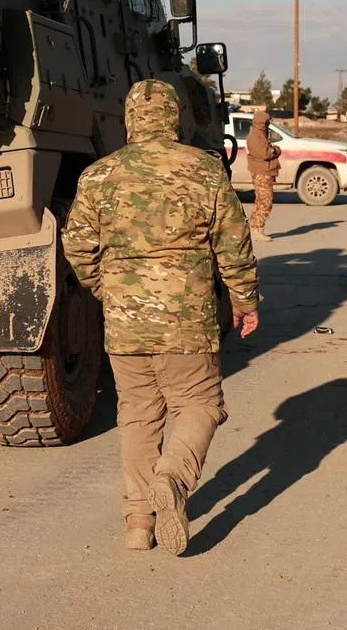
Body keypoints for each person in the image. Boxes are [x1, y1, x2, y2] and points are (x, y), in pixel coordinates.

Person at [61, 79, 260, 555]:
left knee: (137, 415)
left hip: (125, 323)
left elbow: (77, 245)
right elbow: (233, 242)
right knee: (200, 404)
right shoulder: (205, 170)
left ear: (130, 119)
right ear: (174, 118)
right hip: (187, 318)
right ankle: (172, 476)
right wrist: (244, 299)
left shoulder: (98, 175)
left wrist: (106, 289)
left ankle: (138, 523)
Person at [246, 109, 281, 242]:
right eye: (266, 122)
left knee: (260, 201)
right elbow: (266, 153)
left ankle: (255, 227)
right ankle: (257, 228)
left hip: (264, 171)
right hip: (262, 172)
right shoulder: (256, 136)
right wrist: (276, 150)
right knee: (265, 201)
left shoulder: (260, 134)